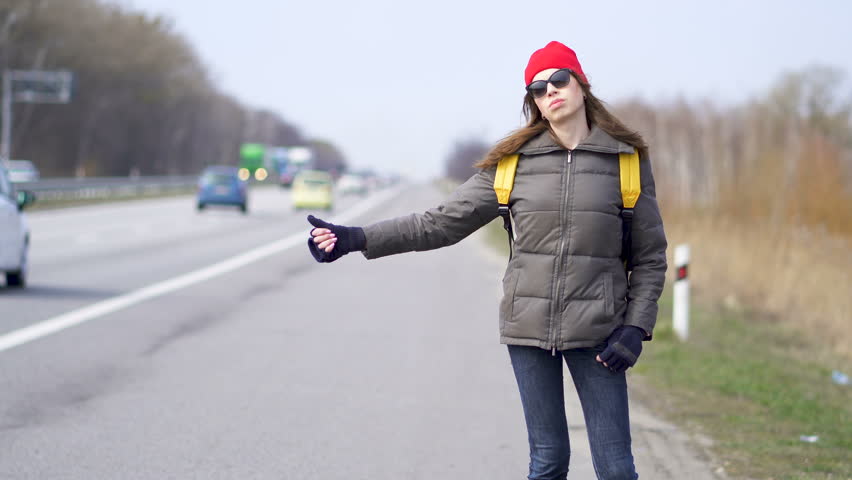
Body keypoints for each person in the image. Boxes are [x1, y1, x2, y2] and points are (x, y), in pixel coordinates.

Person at [306, 41, 667, 480]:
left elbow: (649, 257)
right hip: (528, 331)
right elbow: (438, 223)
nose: (549, 91)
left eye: (558, 80)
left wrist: (636, 326)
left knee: (615, 468)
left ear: (581, 84)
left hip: (601, 334)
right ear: (531, 101)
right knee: (548, 463)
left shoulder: (626, 161)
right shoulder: (511, 165)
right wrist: (356, 238)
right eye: (537, 88)